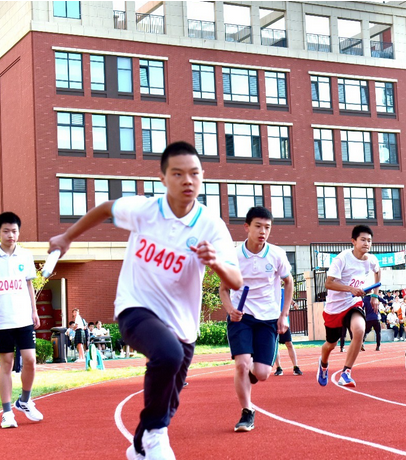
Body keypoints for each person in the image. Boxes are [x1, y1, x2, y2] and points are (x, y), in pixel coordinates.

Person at [48, 141, 243, 460]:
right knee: (167, 355)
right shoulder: (145, 210)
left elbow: (236, 281)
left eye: (194, 173)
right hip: (135, 309)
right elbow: (106, 208)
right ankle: (153, 436)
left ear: (203, 176)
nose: (187, 181)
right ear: (163, 178)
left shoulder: (211, 225)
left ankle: (139, 444)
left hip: (182, 324)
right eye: (177, 174)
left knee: (169, 400)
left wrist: (215, 262)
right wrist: (67, 237)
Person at [219, 206, 293, 433]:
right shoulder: (233, 255)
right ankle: (247, 411)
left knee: (262, 374)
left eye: (267, 227)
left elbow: (288, 282)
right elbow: (223, 289)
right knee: (241, 364)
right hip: (242, 317)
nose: (263, 231)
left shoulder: (277, 254)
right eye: (258, 226)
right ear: (246, 227)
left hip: (268, 317)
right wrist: (231, 309)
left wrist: (284, 316)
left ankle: (252, 373)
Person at [0, 211, 44, 429]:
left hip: (23, 318)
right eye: (6, 231)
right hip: (2, 320)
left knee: (31, 361)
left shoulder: (25, 256)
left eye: (14, 231)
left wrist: (34, 311)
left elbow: (28, 284)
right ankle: (7, 413)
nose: (11, 235)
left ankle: (24, 401)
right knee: (6, 363)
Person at [316, 225, 381, 388]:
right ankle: (323, 364)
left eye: (369, 240)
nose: (367, 243)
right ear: (353, 241)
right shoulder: (342, 259)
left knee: (359, 330)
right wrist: (350, 289)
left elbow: (378, 272)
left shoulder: (371, 259)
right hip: (334, 307)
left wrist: (374, 294)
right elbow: (328, 283)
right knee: (330, 344)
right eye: (363, 240)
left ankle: (346, 373)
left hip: (353, 303)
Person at [274, 299, 303, 376]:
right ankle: (278, 368)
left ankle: (296, 367)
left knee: (289, 343)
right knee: (275, 345)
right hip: (273, 321)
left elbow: (289, 298)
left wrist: (294, 304)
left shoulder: (283, 290)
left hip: (283, 322)